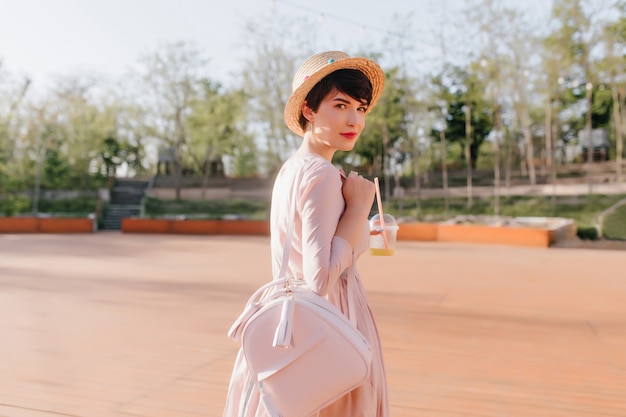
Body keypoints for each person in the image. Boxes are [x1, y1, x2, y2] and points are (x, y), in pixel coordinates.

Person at [223, 50, 389, 417]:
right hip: (329, 327)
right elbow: (320, 279)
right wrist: (360, 209)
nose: (354, 120)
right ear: (308, 111)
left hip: (290, 327)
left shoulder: (291, 170)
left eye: (360, 109)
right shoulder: (322, 173)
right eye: (340, 105)